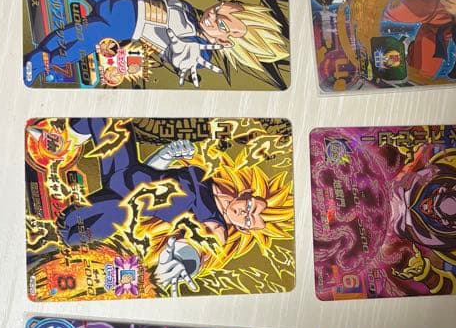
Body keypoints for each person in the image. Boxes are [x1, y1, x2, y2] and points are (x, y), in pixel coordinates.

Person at [43, 118, 292, 293]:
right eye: (251, 207)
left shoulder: (216, 229)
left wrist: (182, 263)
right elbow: (157, 177)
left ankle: (57, 236)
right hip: (126, 173)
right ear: (247, 193)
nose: (244, 213)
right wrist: (166, 156)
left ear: (244, 229)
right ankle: (54, 143)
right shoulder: (209, 179)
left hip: (122, 208)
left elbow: (195, 251)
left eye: (248, 220)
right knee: (107, 120)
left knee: (74, 226)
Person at [23, 0, 286, 86]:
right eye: (218, 8)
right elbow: (141, 2)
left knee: (72, 39)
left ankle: (38, 62)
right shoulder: (186, 9)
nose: (211, 16)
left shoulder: (196, 48)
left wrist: (188, 52)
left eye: (220, 24)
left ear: (226, 42)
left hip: (119, 24)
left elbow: (182, 56)